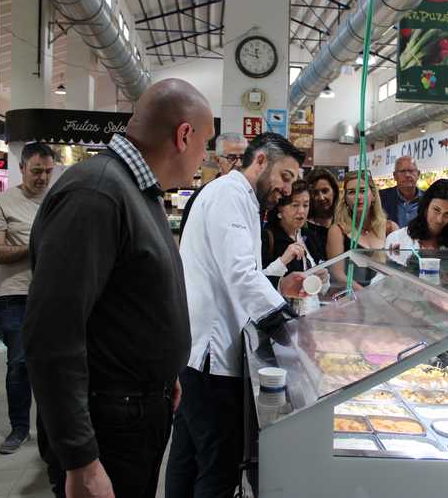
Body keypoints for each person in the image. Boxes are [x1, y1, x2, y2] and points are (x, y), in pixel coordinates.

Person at [24, 78, 213, 498]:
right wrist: (81, 459)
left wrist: (162, 373)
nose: (205, 157)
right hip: (108, 422)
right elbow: (52, 334)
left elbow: (127, 299)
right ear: (184, 135)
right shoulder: (97, 193)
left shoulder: (135, 190)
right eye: (206, 143)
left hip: (136, 408)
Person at [167, 132, 307, 498]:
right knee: (217, 464)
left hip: (198, 350)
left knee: (188, 455)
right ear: (260, 161)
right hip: (210, 356)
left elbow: (235, 272)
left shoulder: (240, 198)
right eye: (285, 177)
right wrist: (289, 328)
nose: (287, 190)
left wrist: (278, 287)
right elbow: (240, 274)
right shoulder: (229, 195)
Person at [0, 143, 55, 454]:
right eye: (36, 171)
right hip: (15, 294)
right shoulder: (2, 203)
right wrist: (36, 246)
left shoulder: (57, 199)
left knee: (55, 366)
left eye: (48, 172)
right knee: (20, 364)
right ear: (23, 168)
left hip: (53, 296)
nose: (42, 178)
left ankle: (51, 433)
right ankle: (19, 428)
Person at [327, 171, 397, 287]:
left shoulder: (390, 228)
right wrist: (365, 295)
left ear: (373, 195)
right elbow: (337, 274)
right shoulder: (338, 230)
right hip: (352, 299)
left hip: (386, 296)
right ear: (345, 198)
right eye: (351, 192)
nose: (358, 197)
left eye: (362, 191)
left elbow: (399, 269)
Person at [179, 132, 248, 239]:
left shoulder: (252, 194)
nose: (239, 164)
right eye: (231, 158)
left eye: (243, 158)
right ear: (217, 160)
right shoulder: (202, 196)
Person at [263, 180, 325, 284]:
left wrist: (323, 279)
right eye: (295, 205)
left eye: (305, 205)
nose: (301, 211)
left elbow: (322, 289)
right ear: (279, 209)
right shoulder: (266, 236)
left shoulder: (310, 236)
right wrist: (283, 261)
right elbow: (258, 282)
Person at [385, 179, 448, 251]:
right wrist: (394, 259)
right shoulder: (397, 239)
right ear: (426, 206)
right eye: (436, 210)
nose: (439, 219)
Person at [304, 167, 339, 257]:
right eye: (315, 193)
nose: (321, 197)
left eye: (325, 191)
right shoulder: (303, 228)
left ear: (334, 191)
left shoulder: (344, 223)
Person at [379, 156, 422, 227]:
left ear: (418, 174)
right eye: (402, 171)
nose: (407, 175)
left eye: (411, 171)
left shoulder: (429, 199)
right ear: (395, 176)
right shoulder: (380, 198)